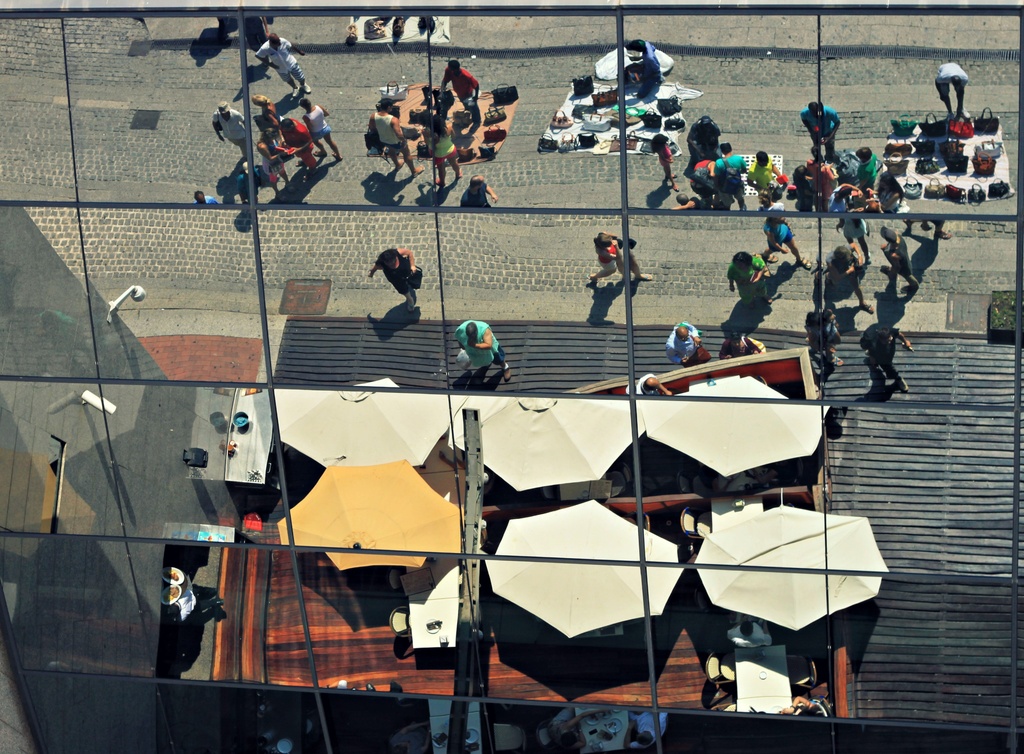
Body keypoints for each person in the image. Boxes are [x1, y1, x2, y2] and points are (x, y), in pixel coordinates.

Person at [370, 99, 424, 178]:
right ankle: (414, 171)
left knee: (391, 151)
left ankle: (397, 165)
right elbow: (398, 134)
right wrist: (404, 141)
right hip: (396, 141)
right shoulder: (393, 120)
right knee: (406, 154)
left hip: (384, 139)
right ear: (388, 107)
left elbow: (372, 128)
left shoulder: (373, 116)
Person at [820, 245, 873, 314]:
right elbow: (838, 277)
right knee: (833, 279)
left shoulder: (845, 249)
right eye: (848, 258)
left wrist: (860, 256)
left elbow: (854, 245)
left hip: (849, 269)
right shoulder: (830, 261)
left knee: (856, 287)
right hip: (838, 270)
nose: (851, 257)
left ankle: (862, 303)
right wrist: (849, 271)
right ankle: (827, 278)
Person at [860, 325, 913, 393]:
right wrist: (872, 356)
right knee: (885, 367)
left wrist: (906, 342)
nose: (890, 341)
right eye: (887, 341)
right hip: (879, 354)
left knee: (885, 366)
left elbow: (898, 334)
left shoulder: (888, 331)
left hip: (885, 354)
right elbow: (864, 346)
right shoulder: (872, 342)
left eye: (890, 338)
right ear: (880, 338)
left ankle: (897, 379)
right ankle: (897, 378)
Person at [369, 247, 419, 312]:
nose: (391, 264)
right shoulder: (381, 263)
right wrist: (371, 274)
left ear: (395, 257)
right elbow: (375, 268)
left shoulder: (398, 252)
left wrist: (412, 265)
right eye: (388, 263)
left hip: (406, 272)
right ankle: (410, 300)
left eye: (393, 261)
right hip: (396, 279)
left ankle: (410, 286)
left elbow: (409, 252)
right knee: (403, 290)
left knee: (412, 282)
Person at [441, 59, 481, 131]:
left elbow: (476, 85)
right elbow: (445, 81)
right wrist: (442, 91)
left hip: (469, 93)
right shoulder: (449, 70)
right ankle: (468, 117)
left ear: (454, 69)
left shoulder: (466, 76)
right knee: (466, 105)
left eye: (450, 68)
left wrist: (475, 97)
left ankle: (477, 122)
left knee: (474, 107)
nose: (449, 69)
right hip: (460, 94)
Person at [879, 226, 920, 295]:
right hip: (903, 259)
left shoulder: (894, 255)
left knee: (908, 276)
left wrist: (891, 273)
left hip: (903, 267)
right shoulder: (899, 237)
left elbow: (897, 266)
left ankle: (914, 286)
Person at [425, 114, 461, 188]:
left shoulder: (429, 133)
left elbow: (427, 143)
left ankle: (442, 182)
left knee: (441, 169)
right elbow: (453, 136)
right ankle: (458, 174)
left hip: (438, 153)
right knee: (454, 163)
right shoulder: (449, 128)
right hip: (450, 150)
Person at [709, 142, 748, 210]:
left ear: (722, 151)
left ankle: (728, 210)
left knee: (726, 202)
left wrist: (716, 187)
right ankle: (742, 207)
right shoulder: (738, 159)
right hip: (737, 184)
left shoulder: (719, 162)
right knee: (740, 198)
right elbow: (744, 170)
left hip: (724, 186)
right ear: (731, 149)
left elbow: (716, 176)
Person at [683, 115, 722, 179]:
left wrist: (713, 151)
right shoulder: (695, 126)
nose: (706, 126)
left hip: (710, 141)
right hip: (699, 141)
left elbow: (716, 139)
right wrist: (699, 151)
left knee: (719, 155)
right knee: (694, 147)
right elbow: (689, 139)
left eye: (707, 125)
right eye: (705, 125)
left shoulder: (714, 127)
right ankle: (695, 161)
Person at [256, 129, 289, 197]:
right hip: (271, 164)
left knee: (282, 172)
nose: (275, 138)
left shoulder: (272, 139)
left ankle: (287, 182)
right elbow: (270, 158)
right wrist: (281, 154)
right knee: (273, 178)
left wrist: (282, 142)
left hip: (278, 160)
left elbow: (279, 131)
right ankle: (276, 191)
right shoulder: (262, 146)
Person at [805, 147, 837, 211]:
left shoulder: (809, 163)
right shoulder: (825, 169)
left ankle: (817, 210)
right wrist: (828, 166)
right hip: (825, 186)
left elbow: (810, 170)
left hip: (815, 183)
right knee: (825, 200)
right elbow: (832, 178)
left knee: (817, 197)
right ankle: (825, 211)